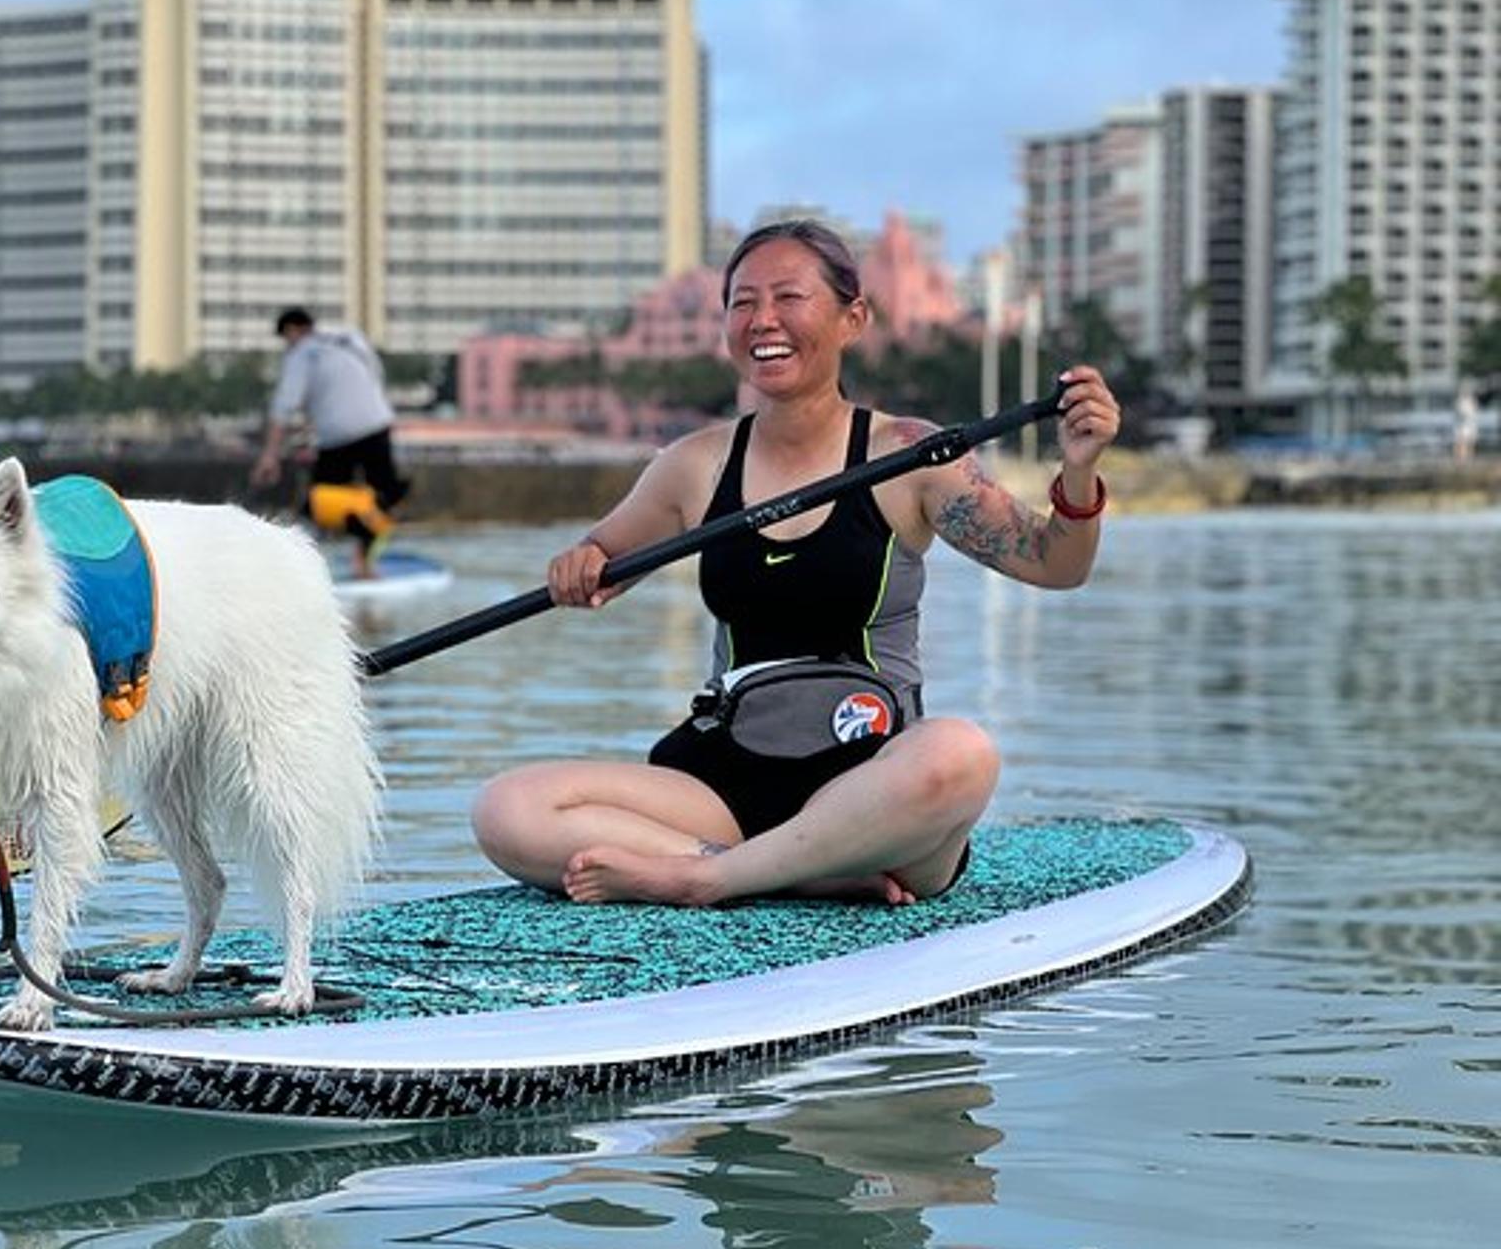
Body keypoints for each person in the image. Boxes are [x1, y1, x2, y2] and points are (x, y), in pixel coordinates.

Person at [470, 219, 1121, 908]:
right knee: (507, 807)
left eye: (790, 297)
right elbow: (604, 559)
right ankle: (794, 873)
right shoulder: (694, 464)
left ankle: (710, 878)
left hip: (871, 782)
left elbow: (1056, 564)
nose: (763, 320)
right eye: (743, 302)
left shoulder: (911, 455)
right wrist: (582, 565)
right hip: (723, 779)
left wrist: (1078, 473)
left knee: (962, 753)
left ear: (853, 318)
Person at [251, 306, 411, 578]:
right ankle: (365, 562)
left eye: (285, 338)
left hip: (338, 439)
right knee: (385, 500)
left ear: (292, 330)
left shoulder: (301, 354)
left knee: (318, 506)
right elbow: (373, 377)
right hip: (378, 425)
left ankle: (306, 567)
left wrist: (269, 456)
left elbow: (283, 409)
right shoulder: (351, 338)